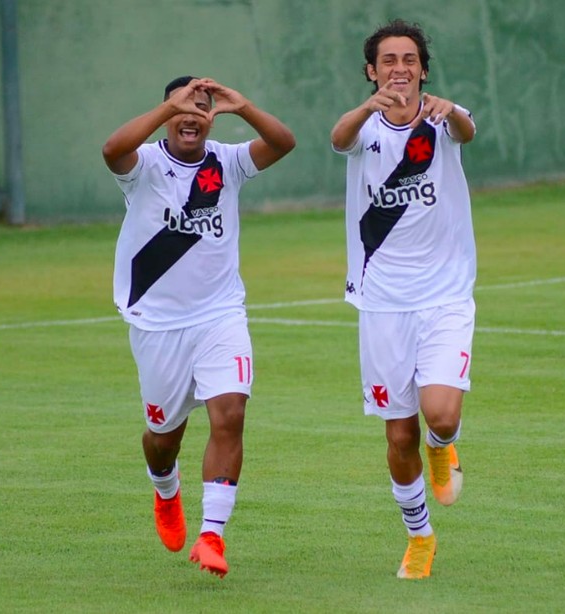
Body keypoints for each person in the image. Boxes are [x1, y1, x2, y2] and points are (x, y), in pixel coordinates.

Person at [102, 76, 295, 578]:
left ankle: (212, 535)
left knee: (230, 413)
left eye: (202, 107)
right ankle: (165, 488)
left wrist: (243, 106)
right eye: (183, 107)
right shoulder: (145, 165)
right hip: (157, 325)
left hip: (219, 316)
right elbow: (111, 150)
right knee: (163, 438)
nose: (192, 116)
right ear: (168, 112)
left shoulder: (227, 162)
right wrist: (168, 106)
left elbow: (282, 143)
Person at [330, 19, 476, 580]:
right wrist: (366, 108)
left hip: (445, 296)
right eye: (388, 60)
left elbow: (467, 131)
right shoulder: (363, 127)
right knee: (398, 434)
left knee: (441, 414)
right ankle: (419, 537)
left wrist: (451, 110)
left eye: (409, 59)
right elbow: (338, 138)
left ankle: (444, 445)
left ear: (423, 70)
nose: (399, 68)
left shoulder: (443, 120)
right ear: (372, 71)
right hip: (382, 303)